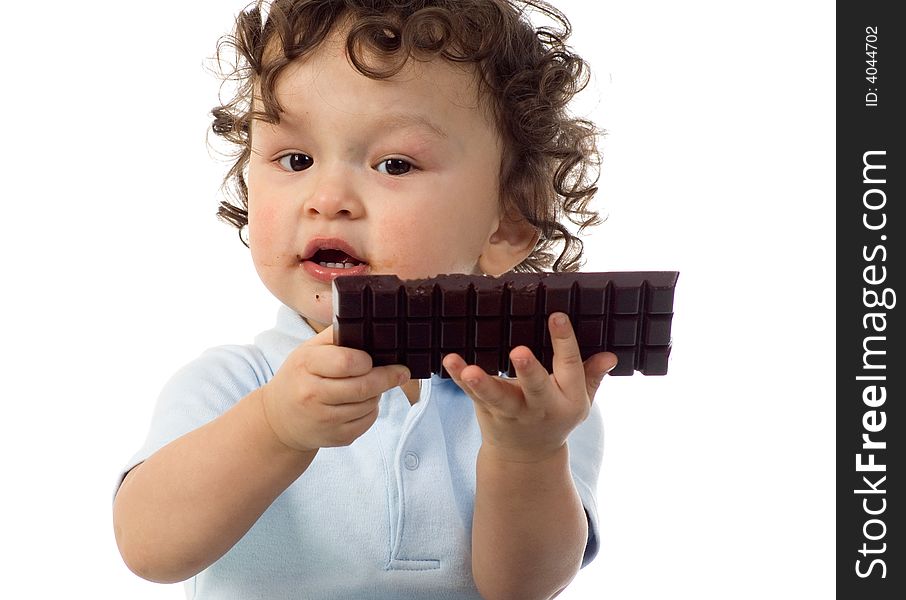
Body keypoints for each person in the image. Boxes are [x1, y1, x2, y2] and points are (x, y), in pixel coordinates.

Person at [113, 1, 615, 598]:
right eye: (294, 159)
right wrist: (276, 426)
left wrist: (526, 454)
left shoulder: (536, 397)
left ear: (507, 221)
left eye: (394, 164)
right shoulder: (234, 384)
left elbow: (522, 588)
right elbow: (148, 548)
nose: (328, 198)